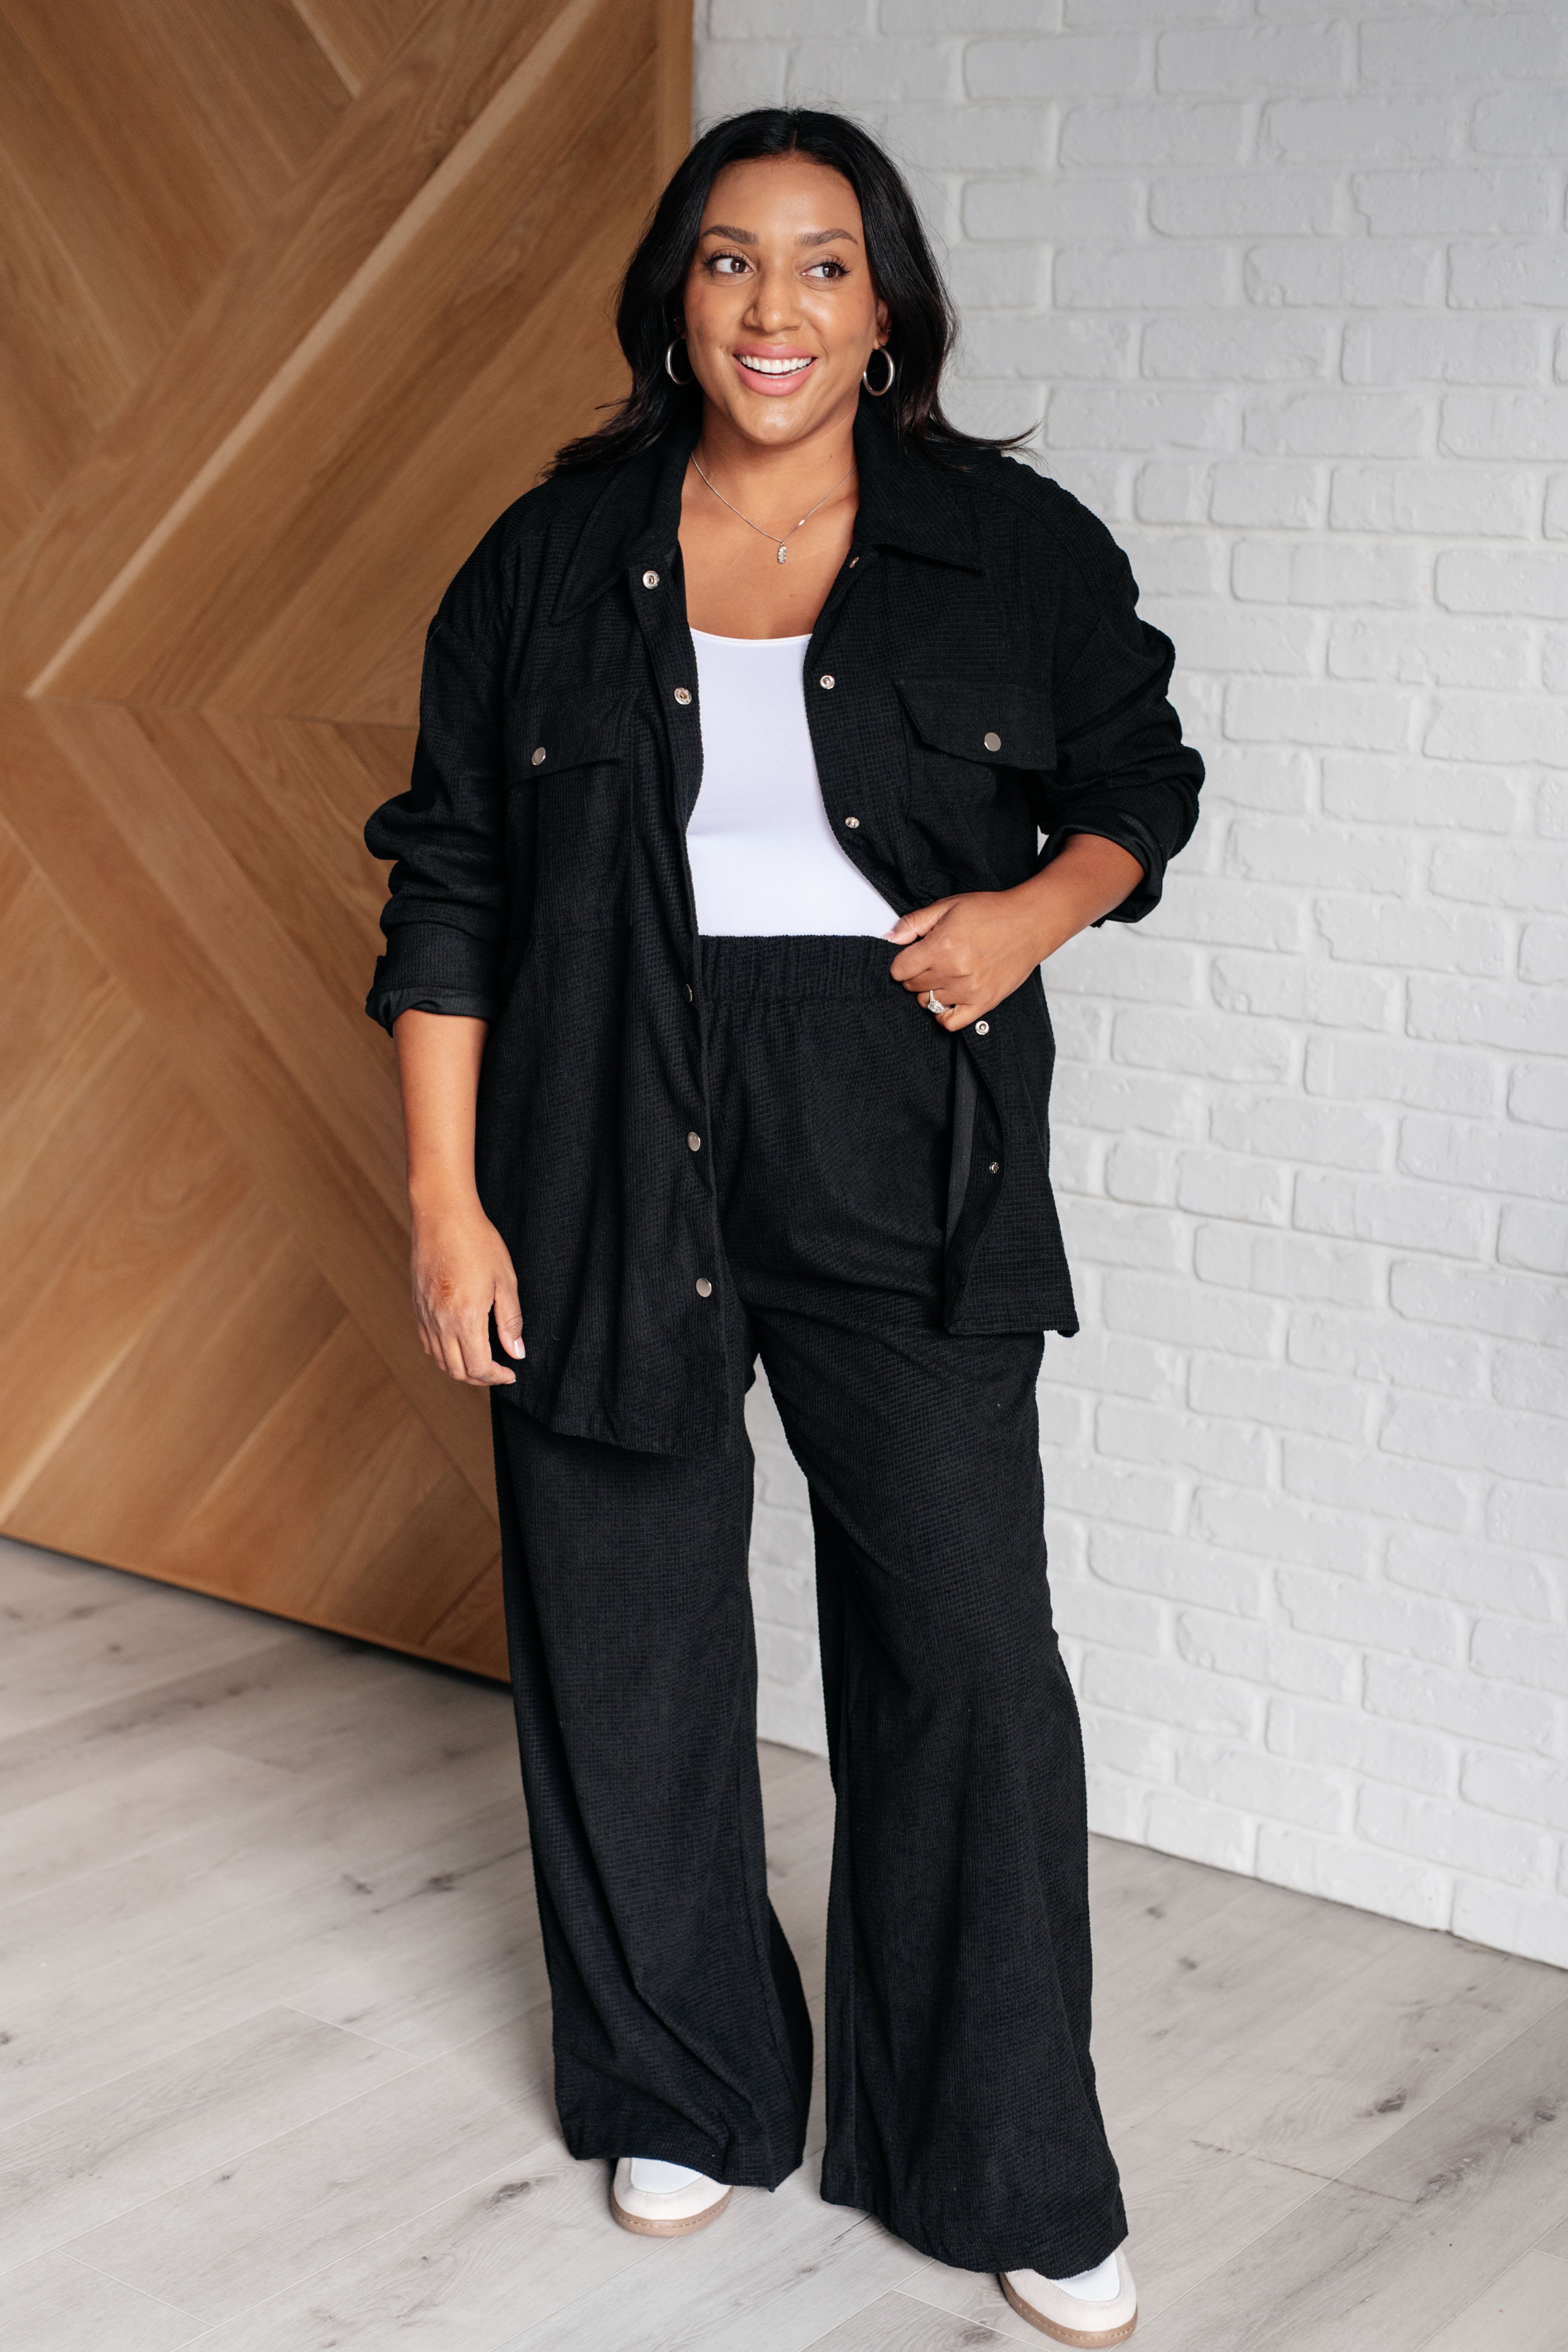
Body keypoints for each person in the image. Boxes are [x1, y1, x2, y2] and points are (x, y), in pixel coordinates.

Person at [364, 106, 1200, 2349]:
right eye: (730, 258)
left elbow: (1141, 779)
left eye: (824, 264)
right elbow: (449, 880)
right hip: (593, 1113)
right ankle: (684, 2080)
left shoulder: (1004, 545)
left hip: (889, 1103)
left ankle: (1004, 2152)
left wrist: (1030, 915)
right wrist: (446, 1201)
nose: (774, 306)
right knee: (625, 1630)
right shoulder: (548, 558)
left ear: (887, 305)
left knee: (966, 1648)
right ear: (674, 293)